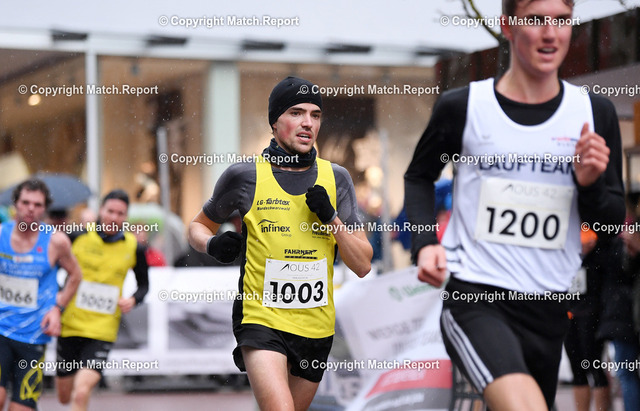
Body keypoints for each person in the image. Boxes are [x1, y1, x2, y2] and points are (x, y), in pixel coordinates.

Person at [404, 0, 625, 409]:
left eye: (561, 21)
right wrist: (425, 242)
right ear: (507, 26)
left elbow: (610, 222)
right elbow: (419, 176)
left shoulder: (594, 113)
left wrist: (590, 184)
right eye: (536, 19)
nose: (550, 33)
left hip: (549, 306)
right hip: (476, 297)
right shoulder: (464, 106)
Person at [189, 76, 372, 411]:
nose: (308, 123)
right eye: (296, 113)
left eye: (315, 115)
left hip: (315, 326)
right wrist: (212, 245)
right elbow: (198, 226)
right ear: (274, 121)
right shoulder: (245, 176)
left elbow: (362, 264)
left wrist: (332, 219)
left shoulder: (337, 178)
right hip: (261, 319)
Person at [55, 190, 149, 411]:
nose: (114, 217)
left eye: (120, 213)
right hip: (70, 324)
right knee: (64, 396)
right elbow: (51, 267)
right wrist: (58, 294)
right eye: (110, 211)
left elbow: (144, 285)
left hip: (102, 329)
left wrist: (133, 300)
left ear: (126, 216)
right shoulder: (77, 237)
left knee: (81, 392)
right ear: (101, 210)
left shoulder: (134, 247)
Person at [0, 178, 82, 411]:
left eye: (37, 204)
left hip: (34, 336)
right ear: (15, 204)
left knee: (21, 408)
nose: (30, 209)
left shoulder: (56, 241)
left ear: (44, 208)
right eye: (25, 202)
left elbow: (76, 276)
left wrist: (58, 308)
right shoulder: (1, 235)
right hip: (1, 329)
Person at [564, 231, 611, 411]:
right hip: (569, 311)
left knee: (594, 364)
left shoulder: (600, 247)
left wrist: (590, 244)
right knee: (576, 368)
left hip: (592, 311)